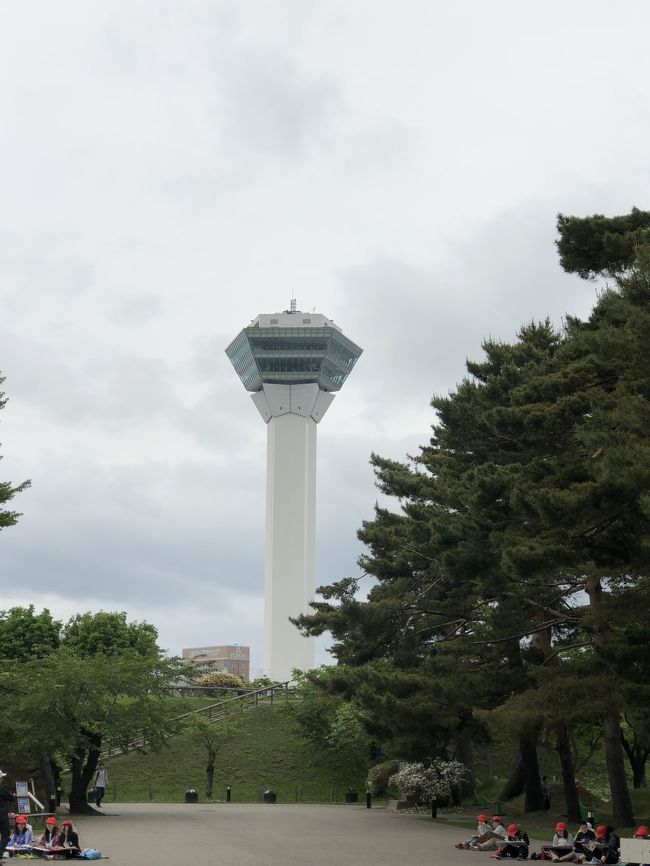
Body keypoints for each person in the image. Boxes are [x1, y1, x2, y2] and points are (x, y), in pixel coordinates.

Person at [0, 769, 16, 860]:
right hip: (2, 817)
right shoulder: (2, 791)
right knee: (6, 836)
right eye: (1, 778)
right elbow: (11, 798)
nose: (2, 779)